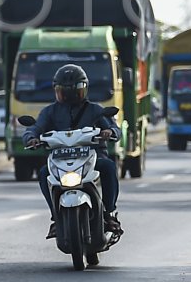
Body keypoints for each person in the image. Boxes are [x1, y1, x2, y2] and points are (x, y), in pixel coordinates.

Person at [21, 64, 121, 239]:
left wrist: (110, 132)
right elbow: (34, 129)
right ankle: (55, 217)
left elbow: (114, 128)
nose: (68, 95)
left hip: (92, 157)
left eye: (74, 90)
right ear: (57, 90)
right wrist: (31, 138)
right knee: (44, 173)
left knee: (108, 167)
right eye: (63, 91)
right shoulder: (49, 112)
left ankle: (109, 213)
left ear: (84, 89)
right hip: (60, 160)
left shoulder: (96, 110)